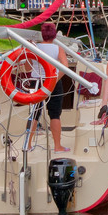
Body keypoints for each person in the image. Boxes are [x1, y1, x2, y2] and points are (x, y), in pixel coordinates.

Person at [31, 22, 71, 152]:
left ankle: (29, 144)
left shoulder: (34, 48)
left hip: (36, 81)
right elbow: (65, 66)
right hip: (52, 82)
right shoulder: (58, 48)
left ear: (42, 34)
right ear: (54, 35)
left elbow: (27, 67)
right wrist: (55, 79)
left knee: (34, 113)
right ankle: (57, 146)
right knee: (54, 114)